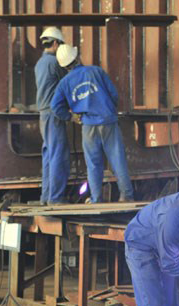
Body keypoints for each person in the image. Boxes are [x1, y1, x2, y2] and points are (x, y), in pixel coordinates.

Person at [50, 43, 134, 203]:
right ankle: (126, 196)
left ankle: (96, 198)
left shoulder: (64, 83)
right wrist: (109, 110)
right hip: (108, 121)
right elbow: (114, 94)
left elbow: (55, 107)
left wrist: (71, 117)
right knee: (117, 159)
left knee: (93, 164)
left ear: (64, 66)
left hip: (88, 125)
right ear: (77, 57)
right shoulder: (96, 71)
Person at [35, 27, 70, 204]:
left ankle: (46, 197)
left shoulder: (40, 63)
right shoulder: (54, 62)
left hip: (44, 114)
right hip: (54, 113)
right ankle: (55, 198)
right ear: (56, 43)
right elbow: (66, 83)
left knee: (49, 155)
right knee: (58, 155)